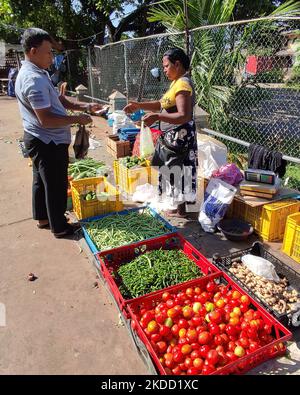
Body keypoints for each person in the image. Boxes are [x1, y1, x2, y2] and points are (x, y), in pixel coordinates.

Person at [15, 28, 103, 238]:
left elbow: (59, 99)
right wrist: (76, 119)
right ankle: (60, 227)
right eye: (48, 52)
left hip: (38, 138)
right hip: (47, 140)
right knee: (55, 184)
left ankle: (44, 219)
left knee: (41, 181)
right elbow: (45, 119)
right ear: (33, 51)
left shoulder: (37, 72)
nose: (52, 57)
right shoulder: (33, 80)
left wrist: (85, 106)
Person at [124, 48, 197, 217]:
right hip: (173, 136)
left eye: (166, 66)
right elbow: (160, 103)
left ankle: (181, 210)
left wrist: (157, 116)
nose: (164, 70)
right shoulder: (176, 83)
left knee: (179, 170)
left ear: (177, 64)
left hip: (180, 137)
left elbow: (183, 115)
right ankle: (179, 208)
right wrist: (138, 105)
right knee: (174, 170)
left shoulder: (183, 84)